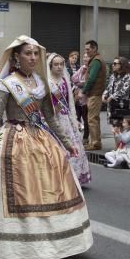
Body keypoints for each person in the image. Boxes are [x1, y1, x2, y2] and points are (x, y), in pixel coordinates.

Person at [0, 36, 92, 259]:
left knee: (50, 191)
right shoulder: (6, 84)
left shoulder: (42, 83)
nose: (33, 58)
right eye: (28, 53)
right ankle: (22, 249)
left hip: (42, 140)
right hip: (14, 140)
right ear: (16, 57)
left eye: (36, 53)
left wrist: (67, 142)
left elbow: (51, 118)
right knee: (22, 192)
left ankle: (54, 243)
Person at [47, 52, 91, 185]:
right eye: (56, 64)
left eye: (61, 64)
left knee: (73, 145)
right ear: (50, 66)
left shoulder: (65, 81)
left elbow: (69, 102)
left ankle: (74, 177)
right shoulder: (47, 83)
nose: (59, 67)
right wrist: (53, 111)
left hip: (66, 119)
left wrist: (74, 119)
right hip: (53, 120)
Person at [82, 40, 107, 150]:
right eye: (86, 49)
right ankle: (95, 142)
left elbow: (92, 79)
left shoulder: (96, 61)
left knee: (92, 119)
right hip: (95, 93)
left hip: (95, 94)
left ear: (94, 49)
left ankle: (95, 143)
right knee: (94, 119)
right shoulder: (96, 60)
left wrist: (83, 91)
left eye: (88, 49)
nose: (86, 51)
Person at [104, 56, 130, 126]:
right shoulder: (113, 76)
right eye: (113, 63)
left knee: (123, 126)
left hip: (122, 105)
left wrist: (111, 97)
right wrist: (104, 95)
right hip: (112, 105)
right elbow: (108, 87)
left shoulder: (128, 77)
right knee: (114, 127)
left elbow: (123, 91)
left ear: (121, 65)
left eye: (115, 63)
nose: (112, 65)